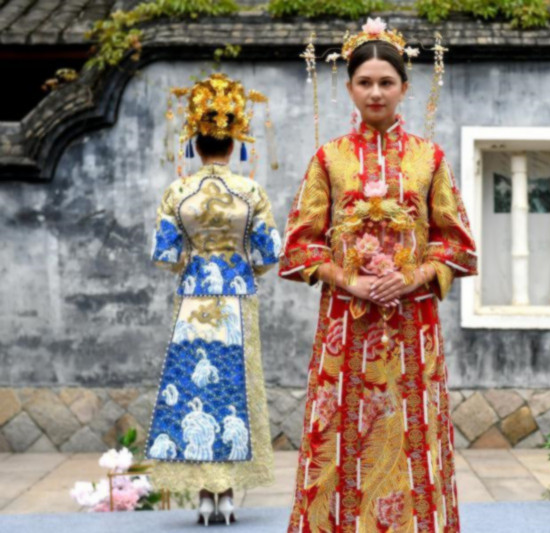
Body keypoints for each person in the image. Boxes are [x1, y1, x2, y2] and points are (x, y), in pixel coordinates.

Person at [279, 17, 477, 532]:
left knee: (412, 433)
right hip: (346, 323)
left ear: (404, 88)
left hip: (413, 325)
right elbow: (299, 245)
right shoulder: (329, 159)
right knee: (342, 434)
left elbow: (457, 243)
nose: (375, 92)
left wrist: (413, 278)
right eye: (364, 82)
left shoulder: (429, 159)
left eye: (386, 82)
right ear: (348, 88)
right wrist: (347, 279)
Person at [145, 73, 279, 526]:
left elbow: (165, 256)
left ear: (194, 142)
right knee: (235, 388)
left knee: (193, 386)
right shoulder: (252, 192)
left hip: (195, 292)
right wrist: (240, 262)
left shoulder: (178, 192)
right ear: (236, 140)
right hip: (238, 294)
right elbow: (267, 254)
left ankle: (205, 497)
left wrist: (194, 253)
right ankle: (229, 497)